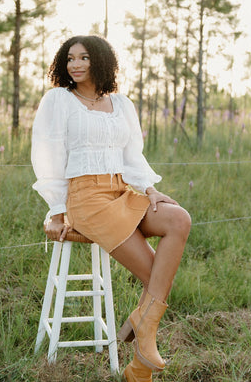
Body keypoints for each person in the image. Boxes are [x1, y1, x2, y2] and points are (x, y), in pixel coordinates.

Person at [31, 35, 191, 382]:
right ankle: (139, 357)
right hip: (86, 198)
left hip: (121, 189)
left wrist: (151, 190)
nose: (75, 65)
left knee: (178, 218)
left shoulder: (121, 104)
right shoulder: (59, 100)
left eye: (84, 58)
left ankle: (139, 332)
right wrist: (57, 210)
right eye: (70, 58)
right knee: (157, 278)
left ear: (100, 62)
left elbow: (132, 156)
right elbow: (48, 156)